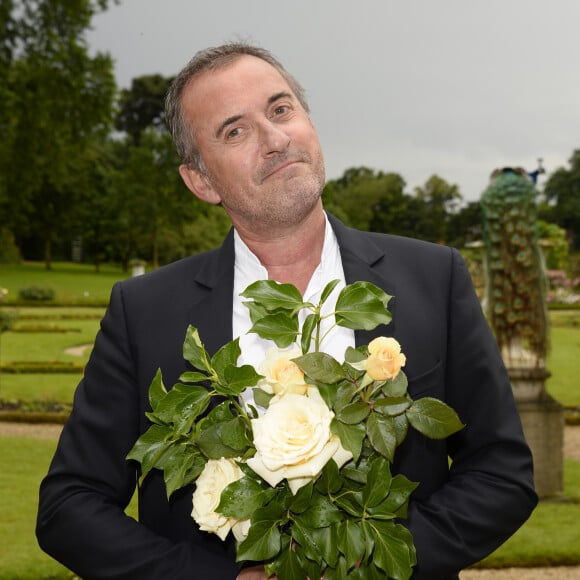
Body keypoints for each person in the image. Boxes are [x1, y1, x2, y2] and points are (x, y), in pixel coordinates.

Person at [36, 43, 537, 580]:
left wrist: (371, 561)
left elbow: (502, 474)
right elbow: (70, 505)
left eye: (281, 110)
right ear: (201, 180)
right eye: (236, 131)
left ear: (309, 123)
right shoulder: (144, 311)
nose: (275, 140)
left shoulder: (435, 280)